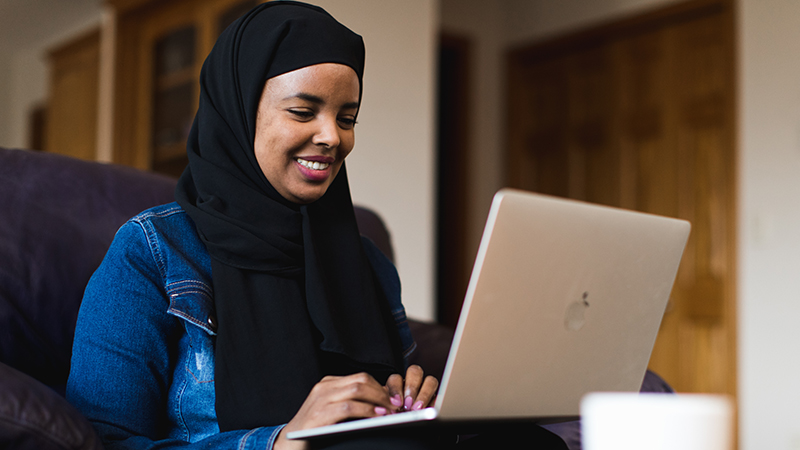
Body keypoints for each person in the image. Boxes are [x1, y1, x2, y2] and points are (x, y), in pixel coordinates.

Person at [67, 2, 567, 449]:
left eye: (347, 118)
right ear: (239, 113)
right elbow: (103, 441)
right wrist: (282, 442)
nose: (332, 138)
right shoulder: (152, 253)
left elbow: (386, 409)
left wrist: (410, 400)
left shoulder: (362, 259)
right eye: (303, 111)